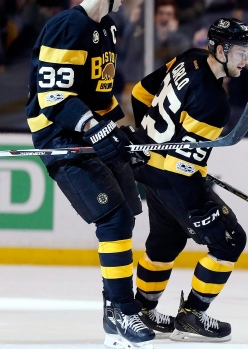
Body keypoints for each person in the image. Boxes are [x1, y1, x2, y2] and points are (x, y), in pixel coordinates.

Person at [24, 1, 155, 348]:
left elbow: (101, 93)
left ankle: (114, 309)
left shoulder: (108, 27)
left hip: (88, 133)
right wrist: (96, 130)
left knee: (127, 213)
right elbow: (53, 97)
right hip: (61, 138)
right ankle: (124, 311)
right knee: (113, 219)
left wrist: (122, 129)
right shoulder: (67, 26)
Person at [128, 17, 248, 342]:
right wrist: (199, 199)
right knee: (230, 240)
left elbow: (141, 92)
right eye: (241, 52)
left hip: (150, 172)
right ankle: (192, 316)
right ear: (219, 50)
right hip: (172, 179)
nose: (246, 60)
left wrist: (147, 140)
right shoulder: (214, 104)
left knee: (165, 242)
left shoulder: (189, 57)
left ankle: (143, 310)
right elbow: (183, 167)